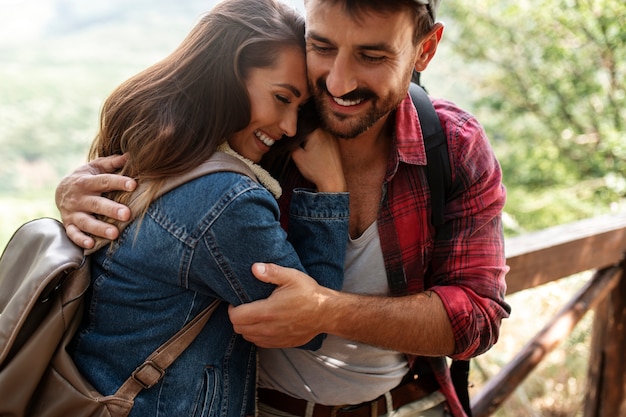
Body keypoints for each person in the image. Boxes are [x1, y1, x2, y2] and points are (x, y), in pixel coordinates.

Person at [56, 1, 511, 417]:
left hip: (404, 403)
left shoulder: (453, 147)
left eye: (372, 56)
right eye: (322, 46)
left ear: (424, 50)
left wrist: (326, 310)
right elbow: (172, 170)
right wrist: (76, 192)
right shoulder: (263, 134)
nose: (338, 82)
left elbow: (477, 316)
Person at [62, 1, 351, 416]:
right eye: (281, 98)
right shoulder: (225, 201)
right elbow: (308, 326)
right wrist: (331, 190)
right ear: (227, 78)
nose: (289, 126)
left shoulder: (151, 148)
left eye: (298, 109)